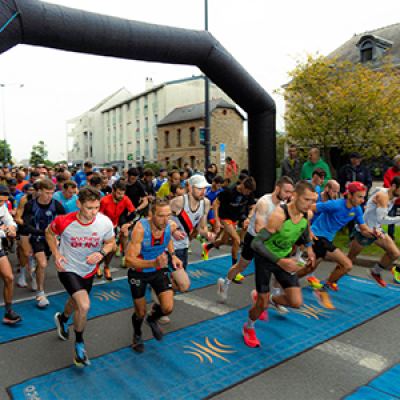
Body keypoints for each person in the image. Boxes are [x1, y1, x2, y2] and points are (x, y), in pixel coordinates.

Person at [46, 186, 115, 367]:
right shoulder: (64, 221)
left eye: (96, 208)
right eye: (89, 208)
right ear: (78, 204)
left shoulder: (105, 223)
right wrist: (56, 253)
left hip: (89, 270)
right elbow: (49, 232)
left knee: (75, 301)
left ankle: (63, 318)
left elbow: (111, 243)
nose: (93, 213)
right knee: (84, 305)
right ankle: (79, 345)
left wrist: (101, 253)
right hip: (68, 268)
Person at [243, 181, 316, 348]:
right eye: (306, 200)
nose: (309, 204)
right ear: (295, 196)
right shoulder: (278, 216)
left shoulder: (306, 213)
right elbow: (256, 244)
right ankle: (249, 327)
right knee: (261, 305)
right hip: (266, 258)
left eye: (312, 201)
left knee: (296, 302)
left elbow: (304, 229)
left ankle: (268, 300)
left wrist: (310, 248)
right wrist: (280, 261)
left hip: (284, 259)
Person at [217, 176, 294, 305]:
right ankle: (224, 284)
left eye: (290, 192)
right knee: (241, 266)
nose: (288, 195)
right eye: (286, 192)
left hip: (270, 241)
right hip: (254, 240)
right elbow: (259, 229)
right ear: (277, 189)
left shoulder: (283, 204)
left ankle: (275, 298)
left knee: (281, 268)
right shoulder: (264, 202)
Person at [309, 182, 383, 309]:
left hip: (328, 238)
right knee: (347, 264)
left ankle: (285, 284)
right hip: (318, 236)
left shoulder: (357, 209)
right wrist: (308, 229)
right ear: (349, 195)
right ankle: (322, 290)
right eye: (359, 197)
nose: (363, 200)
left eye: (364, 197)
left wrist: (374, 233)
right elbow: (310, 207)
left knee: (308, 268)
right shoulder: (335, 204)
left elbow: (364, 229)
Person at [125, 197, 183, 353]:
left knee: (168, 308)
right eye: (161, 216)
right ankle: (137, 335)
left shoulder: (170, 225)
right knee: (140, 312)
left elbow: (168, 238)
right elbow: (129, 261)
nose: (165, 220)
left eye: (168, 215)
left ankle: (151, 319)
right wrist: (153, 263)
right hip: (139, 273)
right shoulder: (141, 229)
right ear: (151, 215)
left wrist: (173, 254)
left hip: (158, 270)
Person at [347, 176, 400, 287]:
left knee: (394, 253)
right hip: (364, 230)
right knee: (348, 261)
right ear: (394, 186)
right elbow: (382, 219)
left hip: (377, 231)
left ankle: (375, 272)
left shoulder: (393, 196)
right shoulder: (383, 196)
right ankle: (331, 281)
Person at [203, 177, 256, 282]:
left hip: (234, 218)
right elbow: (215, 204)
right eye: (247, 191)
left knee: (224, 241)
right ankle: (235, 271)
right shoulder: (229, 191)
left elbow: (253, 206)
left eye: (249, 192)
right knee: (236, 240)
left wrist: (248, 218)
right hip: (225, 217)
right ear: (242, 186)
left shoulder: (248, 194)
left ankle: (207, 247)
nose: (247, 194)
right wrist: (217, 221)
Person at [23, 179, 66, 307]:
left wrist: (58, 234)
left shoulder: (56, 204)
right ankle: (40, 293)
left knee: (44, 264)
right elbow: (26, 226)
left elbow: (64, 221)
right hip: (37, 237)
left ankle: (35, 272)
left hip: (51, 239)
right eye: (47, 193)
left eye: (52, 193)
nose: (49, 196)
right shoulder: (30, 205)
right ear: (39, 191)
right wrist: (45, 233)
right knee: (42, 264)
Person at [98, 180, 136, 276]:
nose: (121, 196)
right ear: (113, 191)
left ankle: (106, 266)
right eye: (119, 193)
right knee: (105, 249)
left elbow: (135, 214)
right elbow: (98, 217)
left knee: (114, 247)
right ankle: (97, 266)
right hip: (103, 226)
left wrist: (129, 224)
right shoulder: (105, 200)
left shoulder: (125, 199)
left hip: (115, 224)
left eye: (123, 193)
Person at [0, 185, 21, 324]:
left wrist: (11, 228)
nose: (1, 204)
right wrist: (3, 231)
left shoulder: (2, 206)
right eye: (0, 200)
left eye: (4, 201)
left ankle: (8, 312)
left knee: (9, 277)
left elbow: (10, 221)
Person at [383, 155, 400, 240]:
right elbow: (386, 185)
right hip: (393, 200)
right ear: (395, 163)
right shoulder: (389, 172)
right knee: (391, 219)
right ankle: (390, 238)